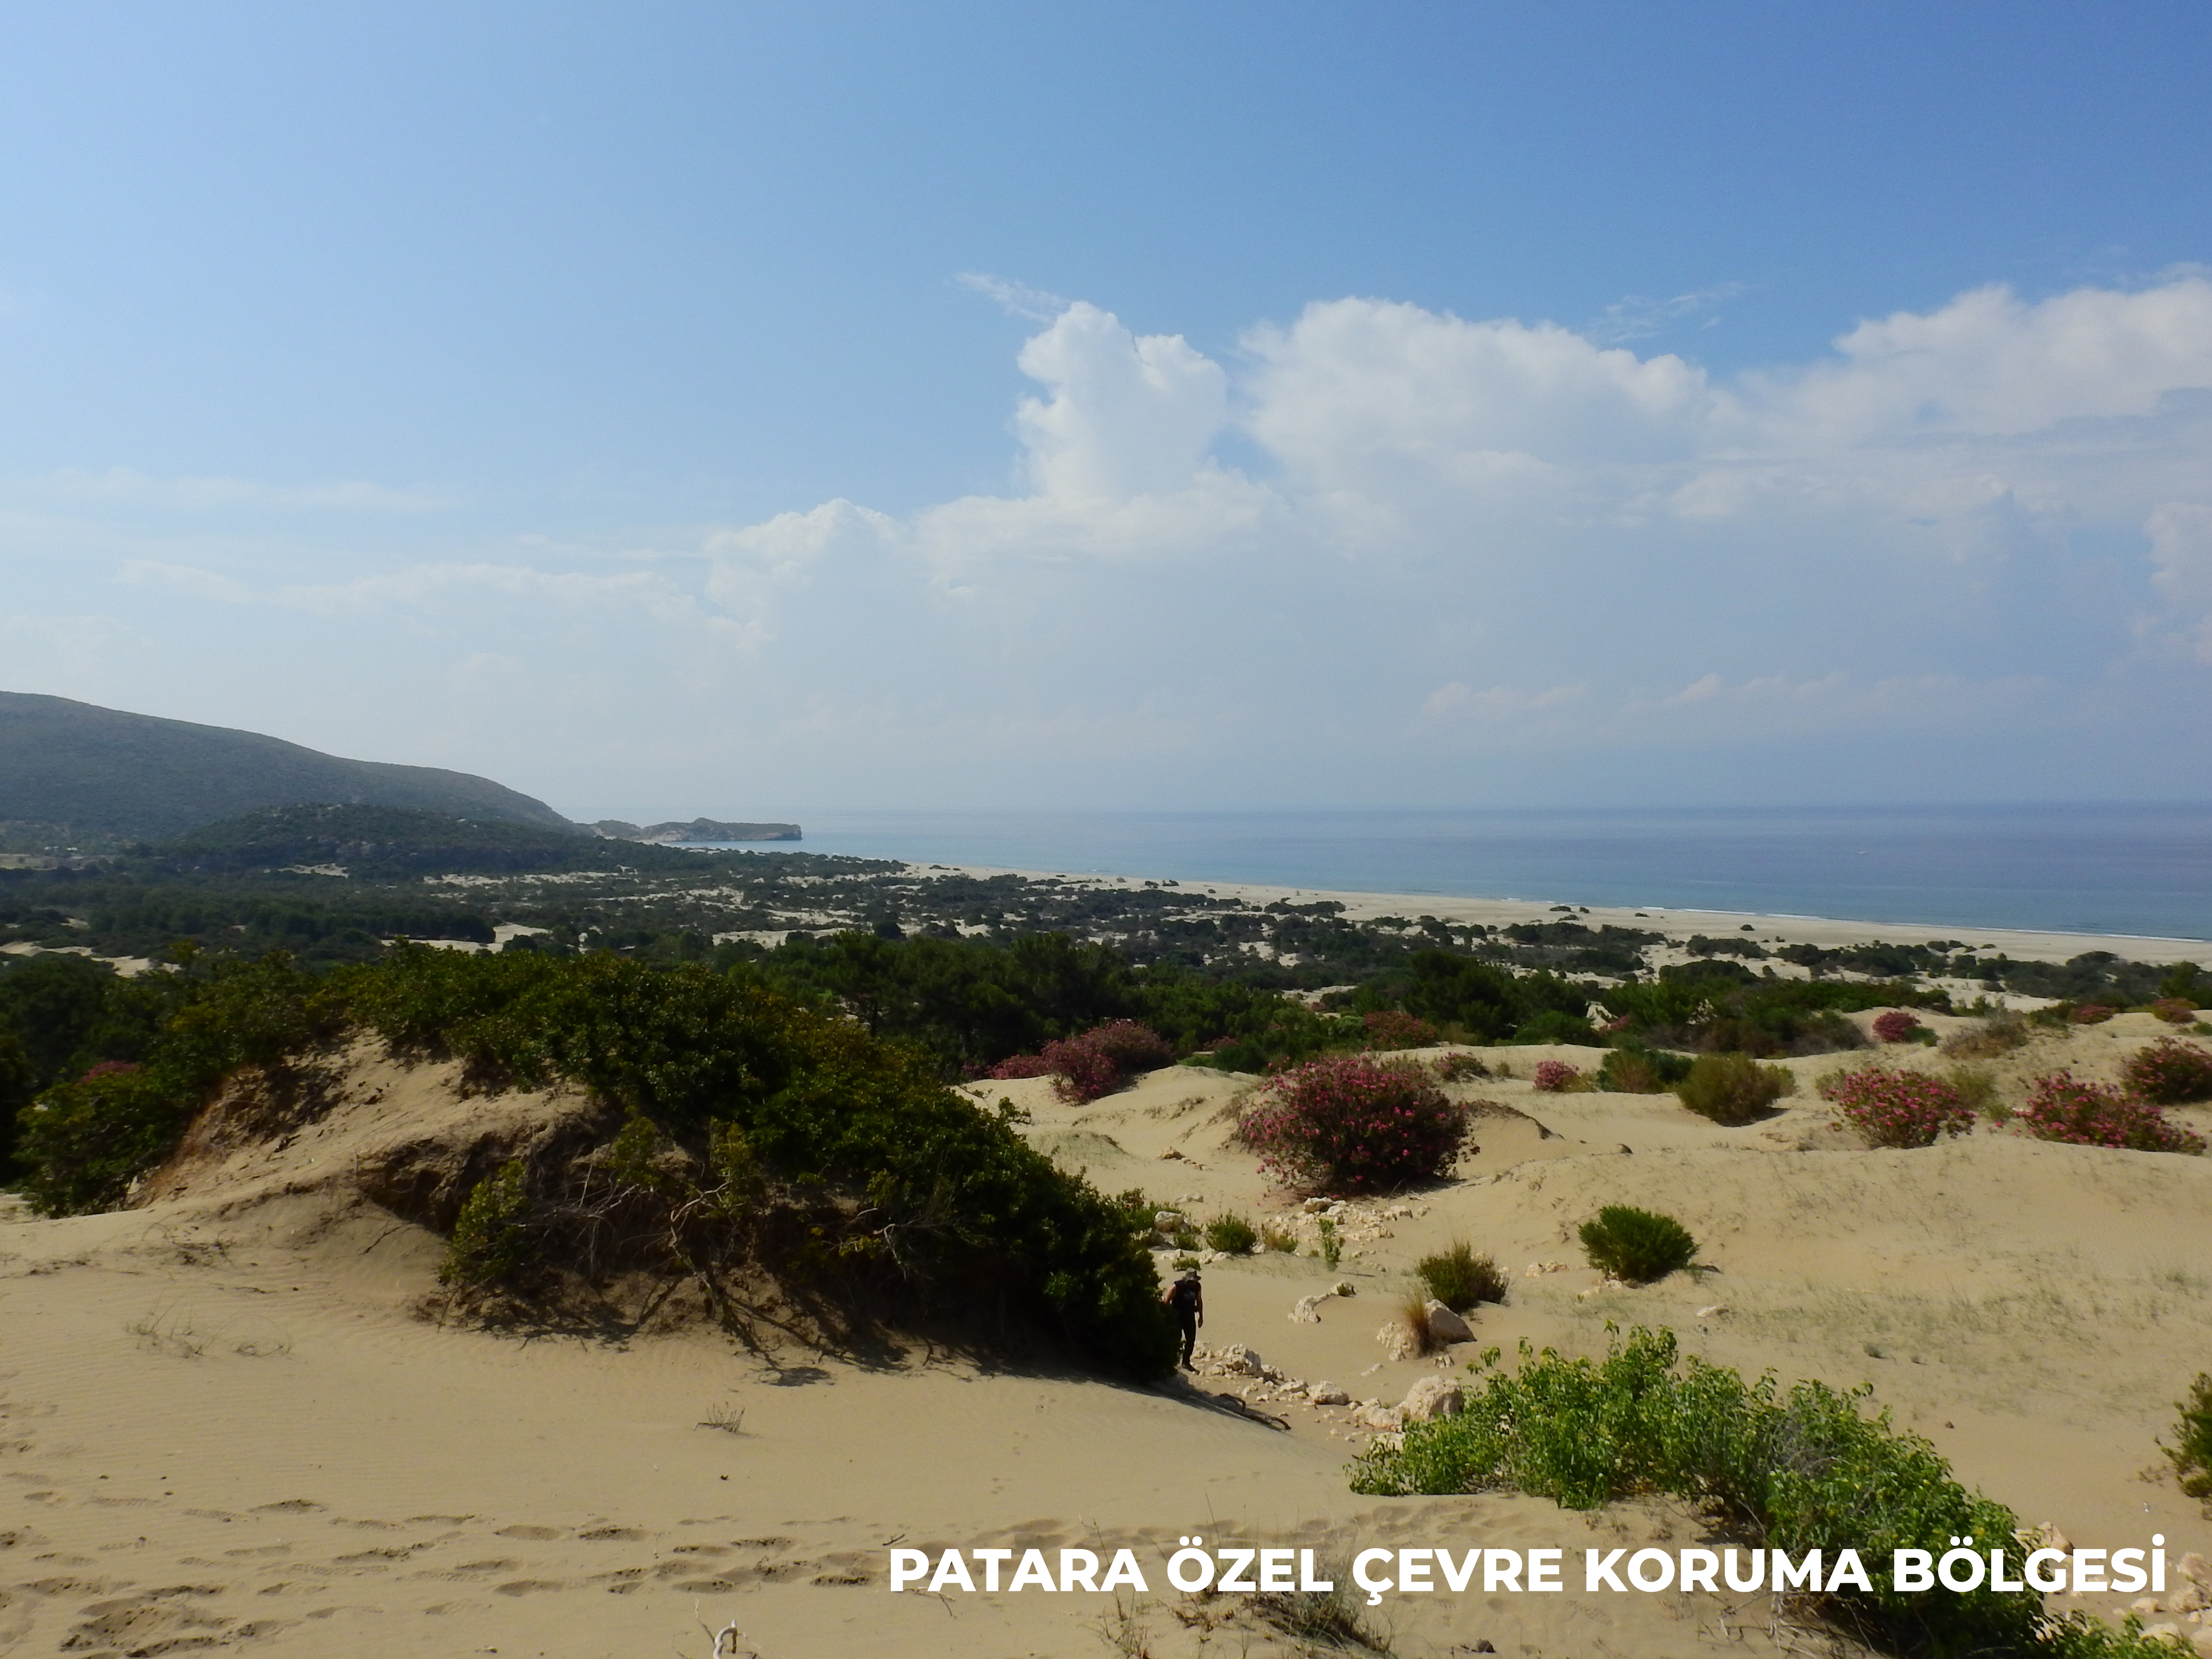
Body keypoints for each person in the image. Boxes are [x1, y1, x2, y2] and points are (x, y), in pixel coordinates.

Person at [1164, 1269, 1203, 1371]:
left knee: (1191, 1340)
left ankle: (1186, 1362)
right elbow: (1167, 1300)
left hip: (1190, 1316)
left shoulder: (1197, 1288)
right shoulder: (1177, 1286)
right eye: (1191, 1281)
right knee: (1176, 1339)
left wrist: (1201, 1316)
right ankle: (1171, 1361)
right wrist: (1166, 1315)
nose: (1193, 1283)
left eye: (1195, 1281)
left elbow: (1199, 1301)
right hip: (1177, 1316)